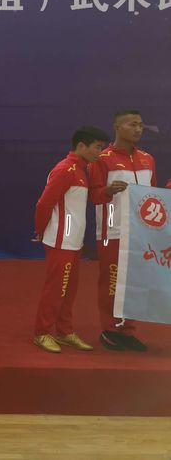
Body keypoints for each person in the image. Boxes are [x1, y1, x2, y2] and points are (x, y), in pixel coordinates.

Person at [33, 126, 110, 353]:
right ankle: (41, 332)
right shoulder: (65, 169)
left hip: (74, 242)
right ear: (81, 146)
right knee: (56, 289)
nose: (100, 153)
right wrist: (40, 231)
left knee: (69, 290)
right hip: (61, 242)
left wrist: (108, 192)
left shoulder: (82, 170)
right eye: (97, 147)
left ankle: (64, 331)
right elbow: (44, 204)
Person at [89, 109, 156, 352]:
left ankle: (127, 330)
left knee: (134, 284)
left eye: (140, 125)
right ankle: (110, 330)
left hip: (141, 233)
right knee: (112, 282)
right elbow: (93, 195)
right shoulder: (102, 159)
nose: (138, 129)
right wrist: (107, 192)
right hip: (112, 231)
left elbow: (152, 196)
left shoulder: (148, 159)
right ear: (117, 127)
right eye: (132, 124)